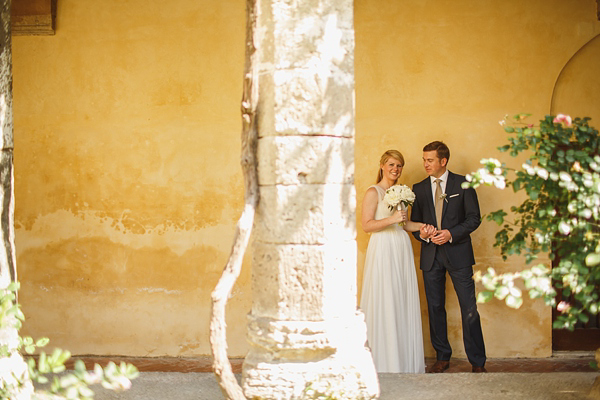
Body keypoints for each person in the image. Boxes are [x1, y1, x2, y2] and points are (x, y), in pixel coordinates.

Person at [410, 141, 487, 373]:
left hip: (459, 255)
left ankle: (477, 361)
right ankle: (442, 357)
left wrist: (451, 233)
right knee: (435, 307)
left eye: (430, 160)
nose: (425, 164)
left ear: (443, 161)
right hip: (431, 256)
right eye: (424, 160)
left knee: (469, 308)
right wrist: (423, 235)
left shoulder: (463, 184)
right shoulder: (419, 187)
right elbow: (415, 225)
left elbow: (474, 218)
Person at [360, 149, 433, 373]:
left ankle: (402, 359)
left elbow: (403, 224)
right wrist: (391, 219)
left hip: (401, 249)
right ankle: (384, 360)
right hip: (383, 249)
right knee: (386, 297)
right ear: (382, 166)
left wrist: (423, 227)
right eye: (391, 164)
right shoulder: (374, 192)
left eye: (399, 165)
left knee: (401, 299)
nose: (395, 169)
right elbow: (367, 225)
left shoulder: (399, 192)